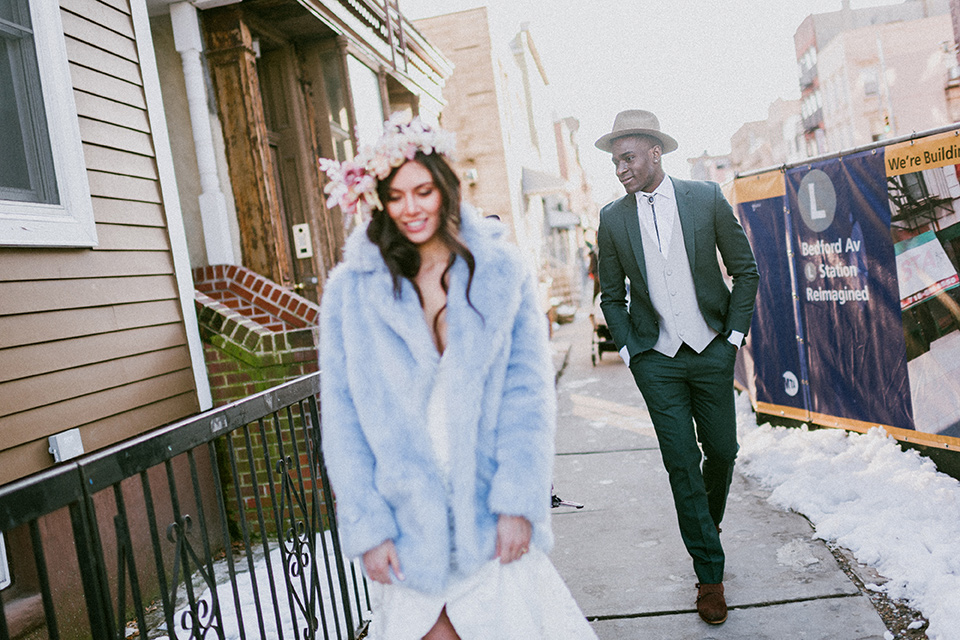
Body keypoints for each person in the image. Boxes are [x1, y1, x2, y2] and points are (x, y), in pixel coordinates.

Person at [319, 114, 597, 640]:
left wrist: (519, 503)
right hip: (406, 524)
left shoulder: (500, 272)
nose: (411, 208)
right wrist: (369, 528)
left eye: (423, 191)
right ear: (379, 199)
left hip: (489, 511)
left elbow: (527, 400)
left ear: (446, 189)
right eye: (396, 196)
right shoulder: (351, 292)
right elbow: (343, 421)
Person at [594, 110, 759, 625]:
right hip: (656, 361)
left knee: (723, 453)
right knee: (682, 464)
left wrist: (731, 338)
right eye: (615, 161)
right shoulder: (612, 218)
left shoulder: (703, 198)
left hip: (711, 350)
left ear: (655, 153)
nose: (620, 169)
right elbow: (611, 295)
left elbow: (745, 269)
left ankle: (703, 530)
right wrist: (630, 351)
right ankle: (710, 576)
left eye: (628, 158)